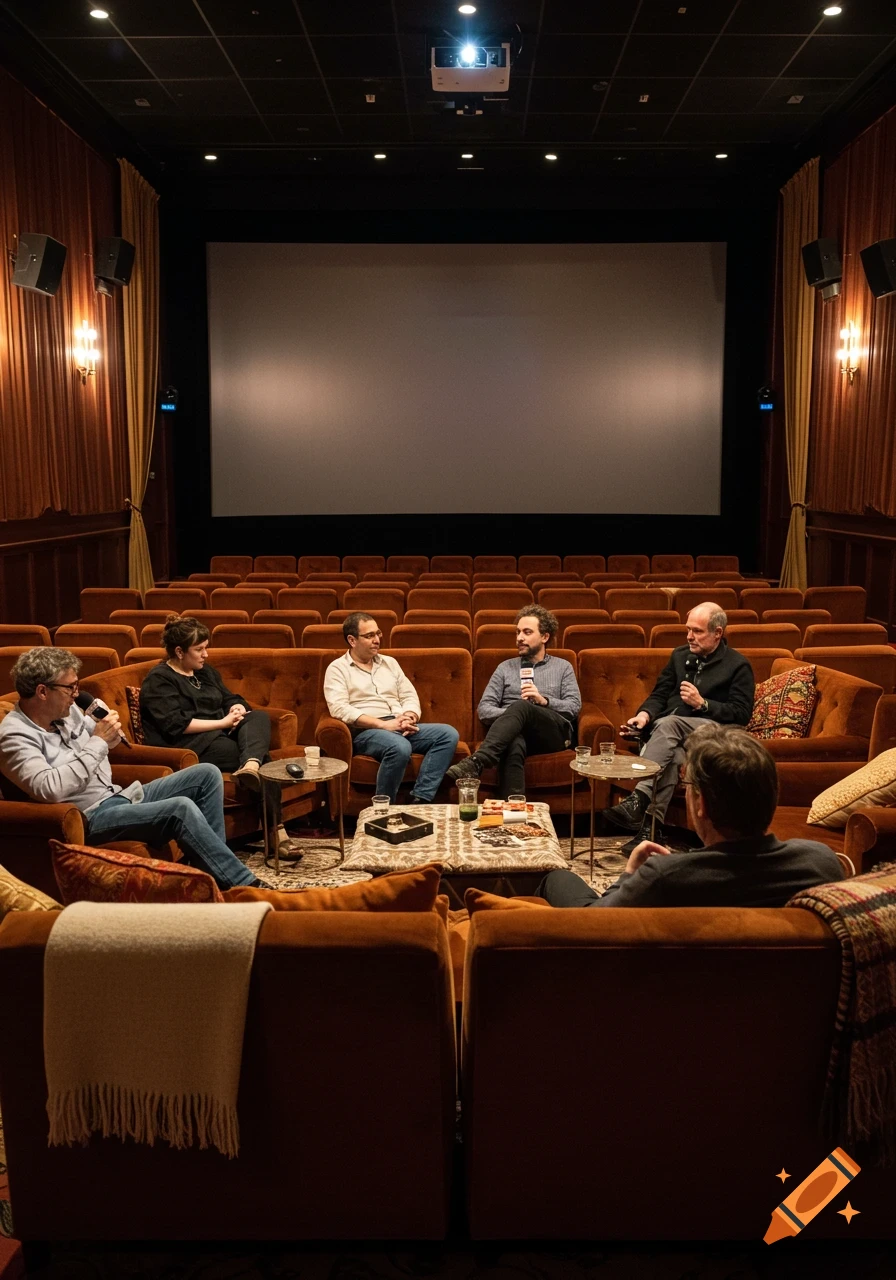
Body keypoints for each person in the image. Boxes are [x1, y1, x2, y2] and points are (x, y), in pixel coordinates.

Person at [0, 647, 268, 890]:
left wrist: (108, 729)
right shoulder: (14, 736)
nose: (76, 694)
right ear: (42, 691)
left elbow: (106, 744)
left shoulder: (66, 712)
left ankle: (210, 875)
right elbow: (50, 788)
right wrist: (98, 742)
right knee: (180, 808)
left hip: (117, 795)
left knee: (206, 774)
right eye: (70, 688)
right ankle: (244, 885)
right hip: (88, 816)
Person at [539, 723, 843, 908]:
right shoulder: (820, 864)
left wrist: (629, 875)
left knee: (556, 878)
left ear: (702, 805)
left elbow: (596, 924)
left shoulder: (663, 877)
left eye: (687, 787)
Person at [139, 614, 302, 859]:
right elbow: (175, 725)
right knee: (264, 759)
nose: (205, 654)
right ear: (180, 652)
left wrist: (235, 707)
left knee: (257, 717)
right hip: (190, 744)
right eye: (199, 649)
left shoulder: (204, 672)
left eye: (206, 648)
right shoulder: (159, 679)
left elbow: (229, 697)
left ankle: (250, 764)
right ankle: (277, 831)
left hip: (221, 732)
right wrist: (223, 722)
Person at [602, 602, 755, 852]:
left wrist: (703, 703)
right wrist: (644, 716)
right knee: (671, 757)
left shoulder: (738, 665)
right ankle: (650, 831)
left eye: (697, 631)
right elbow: (661, 693)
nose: (689, 636)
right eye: (688, 630)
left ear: (718, 633)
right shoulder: (680, 655)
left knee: (669, 724)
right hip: (673, 735)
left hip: (714, 733)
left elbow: (741, 713)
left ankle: (639, 798)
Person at [323, 612, 459, 803]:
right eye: (369, 636)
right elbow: (339, 708)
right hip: (366, 731)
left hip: (398, 723)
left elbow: (408, 695)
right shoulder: (337, 668)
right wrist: (382, 724)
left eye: (378, 633)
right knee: (400, 746)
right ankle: (383, 808)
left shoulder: (390, 663)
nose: (377, 640)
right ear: (352, 640)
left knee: (447, 734)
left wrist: (409, 716)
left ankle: (420, 799)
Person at [447, 605, 581, 798]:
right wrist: (516, 716)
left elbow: (574, 707)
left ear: (545, 637)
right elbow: (484, 710)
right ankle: (514, 807)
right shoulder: (504, 668)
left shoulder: (563, 667)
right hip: (513, 733)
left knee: (522, 707)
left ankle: (479, 760)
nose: (519, 638)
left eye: (527, 632)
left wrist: (544, 701)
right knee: (514, 741)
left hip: (553, 734)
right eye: (518, 632)